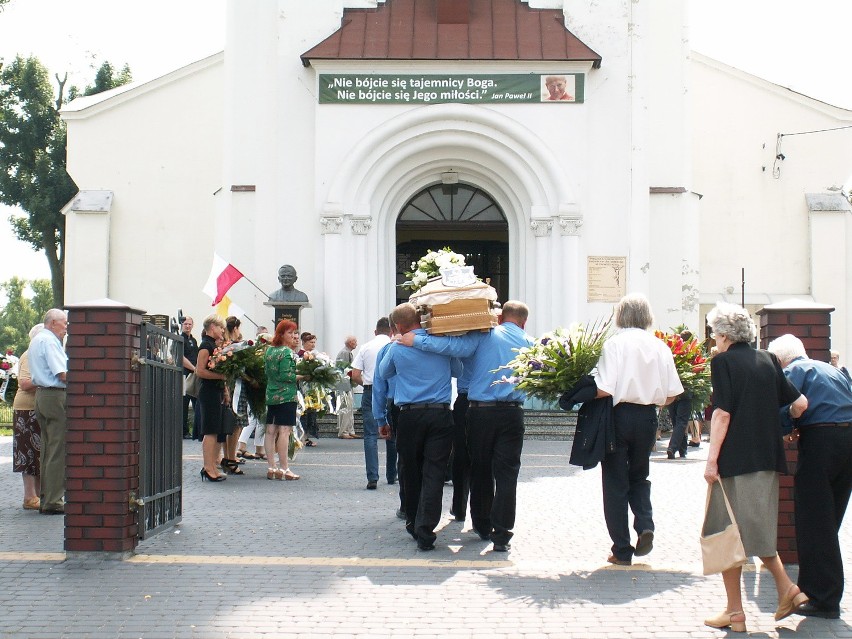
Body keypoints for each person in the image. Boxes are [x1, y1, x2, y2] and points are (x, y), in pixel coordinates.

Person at [702, 303, 809, 632]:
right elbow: (799, 404)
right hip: (768, 460)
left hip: (735, 460)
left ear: (723, 334)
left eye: (713, 334)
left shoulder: (722, 362)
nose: (713, 340)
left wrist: (710, 459)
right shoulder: (769, 360)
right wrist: (783, 428)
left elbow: (722, 413)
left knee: (727, 532)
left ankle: (776, 593)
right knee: (749, 531)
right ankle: (739, 610)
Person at [399, 301, 534, 551]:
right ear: (524, 322)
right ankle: (502, 533)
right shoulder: (530, 342)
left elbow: (452, 347)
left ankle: (483, 523)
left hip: (481, 412)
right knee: (508, 474)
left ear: (501, 316)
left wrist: (417, 341)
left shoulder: (486, 335)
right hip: (514, 414)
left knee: (481, 468)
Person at [592, 293, 683, 565]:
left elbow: (605, 388)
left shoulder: (615, 344)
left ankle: (621, 549)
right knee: (640, 475)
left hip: (618, 416)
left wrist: (579, 392)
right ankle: (645, 523)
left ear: (621, 315)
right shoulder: (659, 347)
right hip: (647, 417)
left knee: (615, 482)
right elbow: (671, 394)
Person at [767, 334, 852, 620]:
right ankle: (821, 589)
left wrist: (787, 423)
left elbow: (783, 410)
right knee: (829, 522)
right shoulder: (833, 370)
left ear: (779, 361)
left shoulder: (793, 371)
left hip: (820, 442)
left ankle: (823, 599)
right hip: (847, 440)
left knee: (814, 521)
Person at [375, 303, 461, 551]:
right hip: (440, 414)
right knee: (435, 471)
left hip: (410, 416)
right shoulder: (440, 344)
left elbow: (383, 373)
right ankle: (426, 527)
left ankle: (413, 520)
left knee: (410, 470)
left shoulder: (396, 346)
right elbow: (458, 370)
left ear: (398, 326)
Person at [28, 309, 69, 514]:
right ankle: (54, 500)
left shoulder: (37, 339)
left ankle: (46, 497)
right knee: (57, 449)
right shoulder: (50, 341)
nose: (66, 327)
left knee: (47, 449)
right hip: (54, 395)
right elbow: (62, 373)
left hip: (42, 395)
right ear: (53, 323)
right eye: (64, 323)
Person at [352, 317, 393, 489]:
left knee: (370, 435)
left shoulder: (366, 347)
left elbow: (355, 375)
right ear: (391, 331)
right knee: (393, 434)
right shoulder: (394, 345)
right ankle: (392, 474)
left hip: (370, 391)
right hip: (391, 392)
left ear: (375, 331)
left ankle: (372, 477)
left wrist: (368, 384)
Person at [372, 317, 406, 519]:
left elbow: (379, 385)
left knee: (405, 458)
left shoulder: (388, 349)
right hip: (438, 407)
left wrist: (380, 419)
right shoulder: (433, 344)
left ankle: (406, 504)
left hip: (399, 406)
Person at [264, 319, 304, 481]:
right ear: (281, 334)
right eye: (290, 333)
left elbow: (267, 372)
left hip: (271, 394)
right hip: (286, 395)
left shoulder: (269, 351)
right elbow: (287, 376)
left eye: (294, 333)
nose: (293, 336)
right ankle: (284, 468)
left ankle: (271, 467)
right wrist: (306, 375)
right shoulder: (286, 353)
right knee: (284, 431)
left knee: (270, 431)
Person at [12, 323, 44, 511]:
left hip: (35, 408)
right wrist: (48, 377)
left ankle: (37, 495)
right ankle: (30, 496)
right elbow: (24, 383)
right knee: (27, 453)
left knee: (37, 453)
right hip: (27, 409)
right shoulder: (28, 355)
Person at [196, 315, 230, 482]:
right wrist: (220, 375)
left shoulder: (214, 345)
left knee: (216, 431)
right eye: (220, 327)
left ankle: (212, 466)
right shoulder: (205, 346)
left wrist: (224, 389)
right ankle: (208, 467)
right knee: (210, 431)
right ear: (212, 327)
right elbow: (199, 371)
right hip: (208, 392)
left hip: (215, 391)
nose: (223, 330)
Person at [219, 316, 247, 475]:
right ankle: (230, 458)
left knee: (230, 425)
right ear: (235, 329)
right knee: (234, 425)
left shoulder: (226, 345)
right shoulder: (231, 347)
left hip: (231, 386)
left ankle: (228, 457)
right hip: (233, 387)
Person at [238, 325, 270, 460]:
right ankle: (242, 446)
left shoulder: (260, 353)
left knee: (261, 419)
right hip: (256, 388)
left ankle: (258, 448)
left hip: (259, 387)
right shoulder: (257, 354)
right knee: (254, 419)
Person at [666, 330, 694, 459]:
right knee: (681, 421)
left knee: (676, 421)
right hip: (685, 392)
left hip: (672, 391)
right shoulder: (692, 353)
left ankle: (682, 450)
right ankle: (673, 447)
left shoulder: (671, 351)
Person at [298, 332, 320, 446]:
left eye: (314, 342)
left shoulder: (314, 355)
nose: (313, 345)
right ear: (304, 343)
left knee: (310, 413)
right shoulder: (301, 355)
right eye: (311, 342)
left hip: (311, 387)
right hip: (303, 387)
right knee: (304, 413)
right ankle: (303, 437)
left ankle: (306, 436)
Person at [180, 316, 200, 439]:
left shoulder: (193, 340)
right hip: (185, 374)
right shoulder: (180, 339)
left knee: (196, 402)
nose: (187, 326)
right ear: (182, 325)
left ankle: (196, 430)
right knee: (184, 402)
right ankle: (183, 431)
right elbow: (181, 358)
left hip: (194, 374)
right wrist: (193, 368)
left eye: (189, 324)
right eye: (185, 324)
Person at [335, 335, 358, 439]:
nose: (356, 343)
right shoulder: (345, 353)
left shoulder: (348, 352)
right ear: (350, 343)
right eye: (355, 341)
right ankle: (343, 431)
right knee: (345, 408)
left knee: (349, 407)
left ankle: (349, 429)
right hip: (344, 384)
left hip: (346, 383)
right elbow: (344, 369)